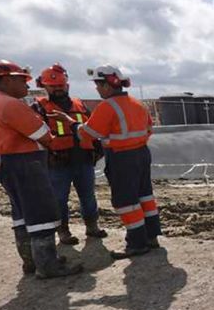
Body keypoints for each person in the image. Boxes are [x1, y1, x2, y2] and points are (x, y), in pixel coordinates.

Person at [51, 65, 161, 259]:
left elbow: (90, 133)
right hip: (142, 154)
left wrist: (72, 123)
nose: (97, 89)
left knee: (126, 201)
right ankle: (151, 237)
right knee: (145, 196)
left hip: (121, 157)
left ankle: (137, 243)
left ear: (107, 86)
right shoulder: (137, 103)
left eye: (98, 85)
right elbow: (149, 130)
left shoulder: (108, 106)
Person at [0, 59, 83, 278]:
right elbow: (43, 134)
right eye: (22, 80)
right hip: (27, 164)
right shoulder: (11, 105)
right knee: (41, 213)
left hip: (8, 164)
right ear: (6, 80)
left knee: (22, 213)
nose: (27, 85)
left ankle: (31, 261)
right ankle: (48, 265)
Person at [32, 63, 107, 245]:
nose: (58, 89)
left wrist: (98, 150)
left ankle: (92, 226)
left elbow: (92, 128)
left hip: (83, 159)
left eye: (61, 85)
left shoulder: (79, 105)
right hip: (57, 163)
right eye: (53, 86)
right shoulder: (39, 107)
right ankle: (63, 231)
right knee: (59, 199)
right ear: (45, 86)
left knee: (88, 196)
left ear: (67, 85)